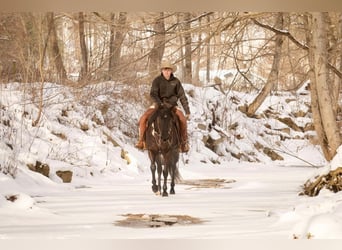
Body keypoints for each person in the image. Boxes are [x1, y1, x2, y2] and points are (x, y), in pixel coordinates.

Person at [135, 60, 191, 153]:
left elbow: (182, 96)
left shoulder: (176, 82)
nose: (167, 72)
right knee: (143, 118)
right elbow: (153, 94)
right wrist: (160, 103)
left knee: (183, 120)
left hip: (172, 106)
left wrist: (187, 111)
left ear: (171, 71)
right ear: (162, 70)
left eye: (169, 70)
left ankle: (183, 143)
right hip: (158, 104)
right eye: (165, 69)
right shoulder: (157, 80)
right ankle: (141, 141)